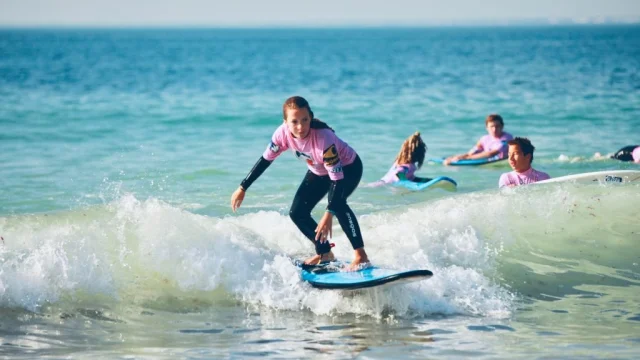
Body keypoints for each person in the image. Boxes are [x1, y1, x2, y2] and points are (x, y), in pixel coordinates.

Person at [230, 96, 370, 270]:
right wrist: (243, 187)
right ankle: (324, 252)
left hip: (348, 169)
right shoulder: (281, 134)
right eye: (294, 121)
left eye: (304, 120)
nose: (300, 126)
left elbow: (337, 180)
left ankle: (360, 255)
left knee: (338, 204)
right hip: (319, 171)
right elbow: (265, 160)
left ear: (310, 117)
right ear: (285, 122)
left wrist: (329, 213)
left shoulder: (323, 139)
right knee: (297, 213)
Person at [443, 114, 513, 165]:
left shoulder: (507, 138)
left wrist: (466, 158)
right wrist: (457, 157)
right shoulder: (484, 138)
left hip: (500, 162)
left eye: (497, 126)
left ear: (502, 126)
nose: (494, 129)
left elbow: (491, 153)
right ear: (487, 128)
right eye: (491, 126)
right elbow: (472, 152)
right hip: (485, 161)